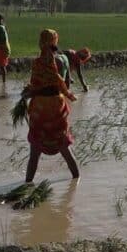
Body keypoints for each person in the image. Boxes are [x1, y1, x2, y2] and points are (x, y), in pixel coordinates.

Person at [23, 29, 80, 183]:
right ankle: (76, 181)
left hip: (40, 108)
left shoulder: (36, 63)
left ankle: (27, 185)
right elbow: (62, 84)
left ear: (41, 43)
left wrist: (27, 92)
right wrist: (68, 94)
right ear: (54, 42)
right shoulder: (60, 61)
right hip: (56, 107)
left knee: (35, 150)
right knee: (64, 146)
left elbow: (35, 85)